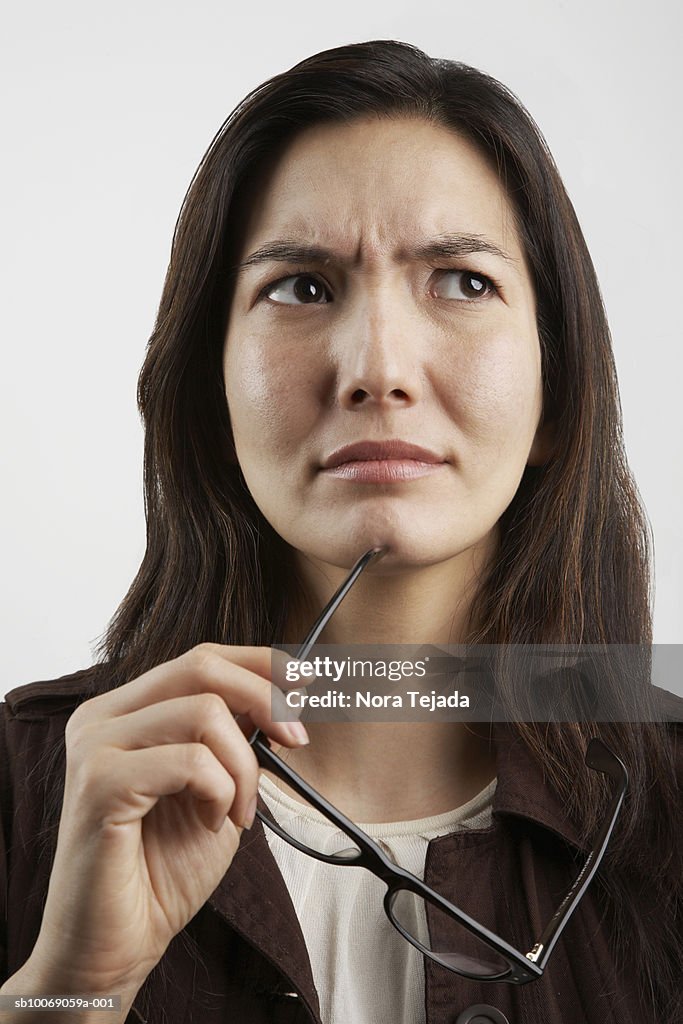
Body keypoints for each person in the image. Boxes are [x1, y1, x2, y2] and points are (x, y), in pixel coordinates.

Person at [0, 39, 680, 1024]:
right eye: (302, 288)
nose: (377, 367)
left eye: (459, 281)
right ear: (206, 392)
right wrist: (74, 983)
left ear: (557, 396)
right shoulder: (33, 790)